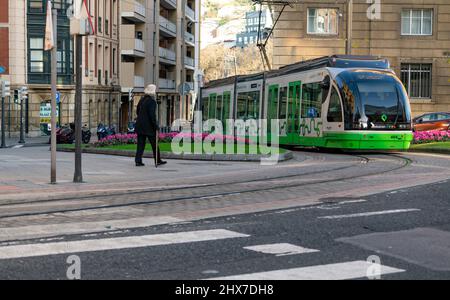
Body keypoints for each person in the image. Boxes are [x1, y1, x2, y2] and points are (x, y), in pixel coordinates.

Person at [134, 84, 167, 167]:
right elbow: (152, 115)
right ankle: (158, 160)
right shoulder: (152, 101)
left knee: (140, 144)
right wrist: (155, 125)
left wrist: (142, 118)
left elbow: (137, 111)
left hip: (140, 125)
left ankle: (138, 161)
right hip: (149, 127)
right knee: (154, 144)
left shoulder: (142, 100)